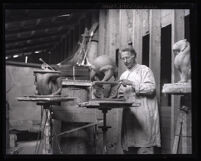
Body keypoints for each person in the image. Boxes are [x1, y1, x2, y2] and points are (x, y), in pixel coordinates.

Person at [118, 45, 161, 154]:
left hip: (144, 116)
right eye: (123, 58)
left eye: (127, 57)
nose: (125, 61)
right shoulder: (124, 75)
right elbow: (121, 95)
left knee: (144, 148)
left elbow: (151, 89)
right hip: (130, 116)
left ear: (134, 56)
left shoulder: (144, 70)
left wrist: (132, 83)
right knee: (130, 148)